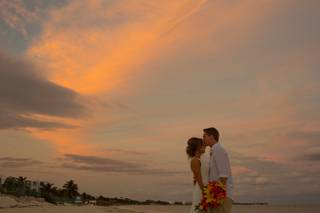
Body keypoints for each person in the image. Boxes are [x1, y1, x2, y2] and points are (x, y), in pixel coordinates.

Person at [203, 127, 233, 213]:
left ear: (211, 137)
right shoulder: (214, 150)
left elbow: (224, 175)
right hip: (216, 195)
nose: (203, 139)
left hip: (221, 196)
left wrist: (217, 196)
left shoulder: (218, 149)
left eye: (204, 136)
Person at [186, 137, 208, 213]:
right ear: (198, 147)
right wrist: (205, 192)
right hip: (201, 189)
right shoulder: (195, 160)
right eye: (203, 145)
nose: (205, 146)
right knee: (199, 209)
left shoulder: (202, 158)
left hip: (206, 187)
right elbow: (199, 179)